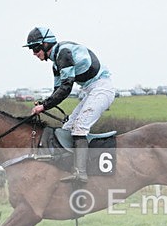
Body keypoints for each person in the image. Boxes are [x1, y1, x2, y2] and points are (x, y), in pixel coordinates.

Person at [23, 26, 115, 183]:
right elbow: (57, 91)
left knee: (79, 128)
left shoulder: (63, 54)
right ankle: (69, 167)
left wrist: (43, 106)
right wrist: (44, 103)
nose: (34, 53)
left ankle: (81, 172)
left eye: (36, 48)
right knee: (67, 128)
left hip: (102, 89)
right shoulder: (56, 63)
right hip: (89, 91)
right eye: (32, 49)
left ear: (46, 44)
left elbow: (66, 88)